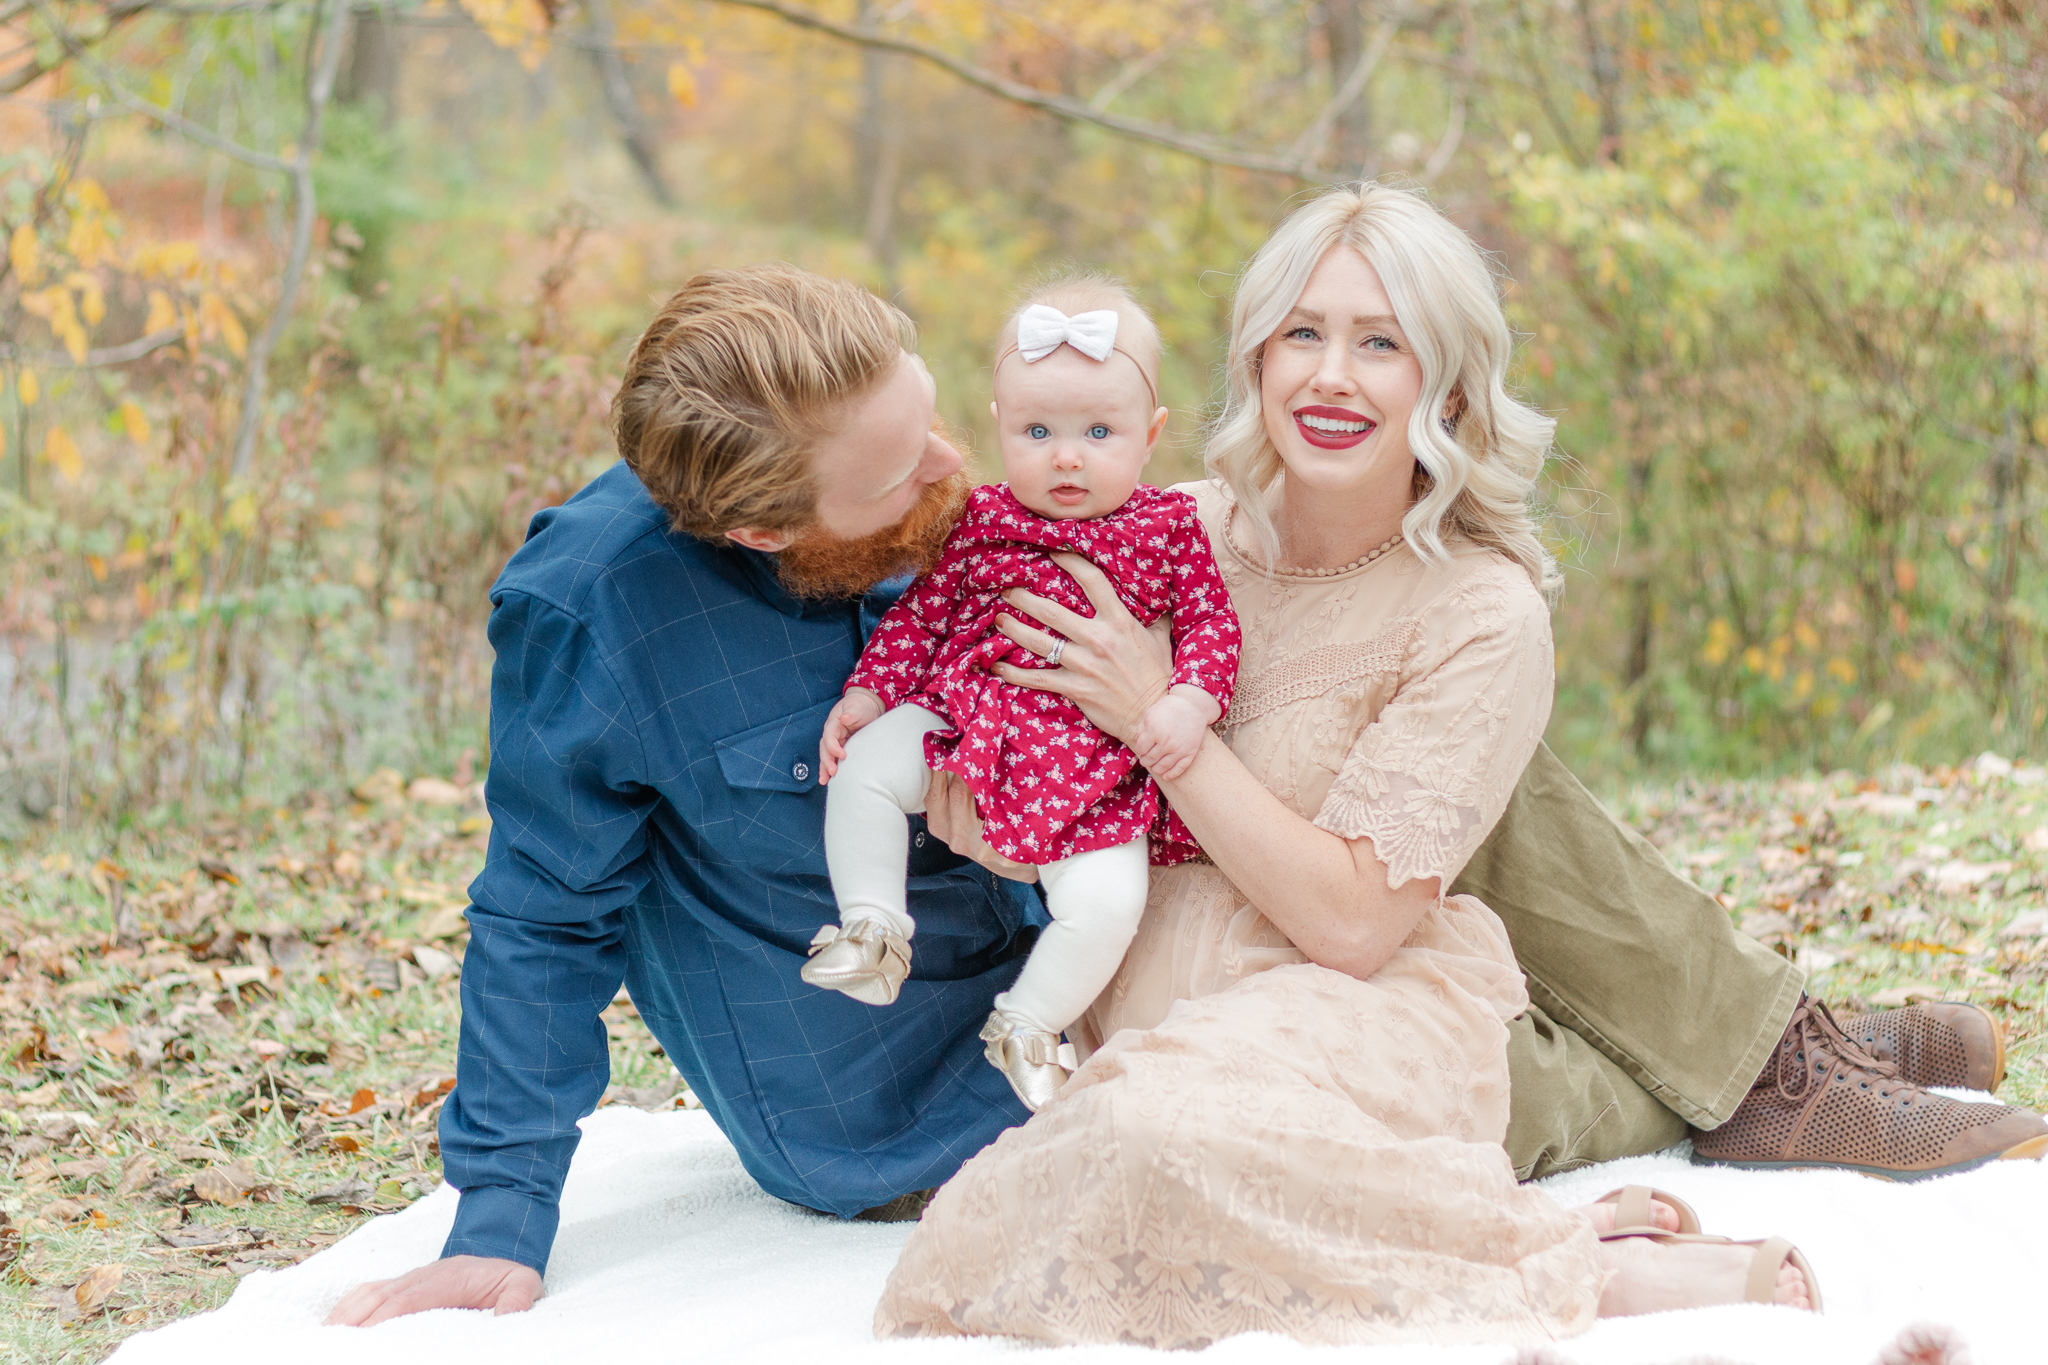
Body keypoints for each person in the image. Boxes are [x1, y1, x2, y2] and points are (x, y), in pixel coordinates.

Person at [326, 249, 2040, 1328]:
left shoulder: (967, 504)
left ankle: (1762, 1053)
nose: (956, 475)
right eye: (901, 475)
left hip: (1124, 910)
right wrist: (500, 1213)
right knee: (1389, 1043)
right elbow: (539, 914)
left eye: (947, 425)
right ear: (772, 529)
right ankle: (1710, 1071)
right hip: (941, 1070)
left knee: (1402, 684)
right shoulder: (597, 614)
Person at [874, 182, 2045, 1347]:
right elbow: (1019, 780)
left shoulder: (1477, 612)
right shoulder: (1161, 527)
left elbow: (1350, 926)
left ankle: (1599, 1242)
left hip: (1351, 1005)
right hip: (1165, 1016)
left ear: (1443, 380)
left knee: (1144, 1148)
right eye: (1303, 334)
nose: (1331, 375)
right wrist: (919, 749)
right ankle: (1774, 1046)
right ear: (1256, 357)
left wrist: (1150, 721)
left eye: (1379, 343)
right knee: (1080, 1178)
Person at [809, 275, 1240, 1112]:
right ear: (1000, 425)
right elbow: (923, 615)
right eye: (1037, 430)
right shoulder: (981, 516)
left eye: (1098, 431)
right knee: (862, 769)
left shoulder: (1168, 528)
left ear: (1149, 436)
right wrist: (868, 695)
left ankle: (1031, 1022)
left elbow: (1211, 627)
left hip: (1091, 761)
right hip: (966, 717)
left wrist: (1191, 700)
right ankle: (872, 926)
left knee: (1111, 899)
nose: (1067, 455)